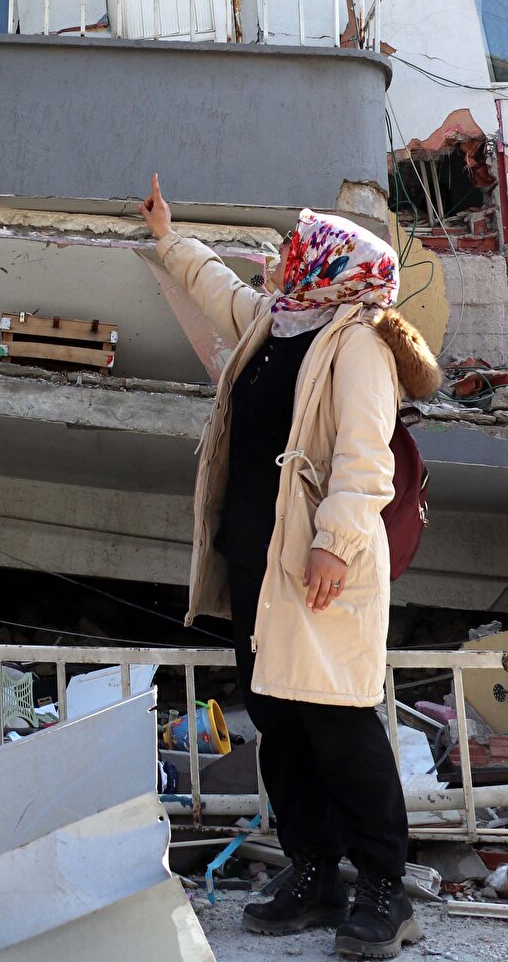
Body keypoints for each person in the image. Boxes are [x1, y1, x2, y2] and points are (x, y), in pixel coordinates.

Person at [140, 174, 441, 960]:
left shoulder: (359, 340)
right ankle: (314, 872)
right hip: (259, 561)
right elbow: (221, 292)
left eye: (298, 248)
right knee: (278, 718)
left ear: (333, 265)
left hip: (320, 564)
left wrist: (335, 546)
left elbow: (366, 460)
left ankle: (384, 886)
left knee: (341, 723)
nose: (284, 257)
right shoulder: (278, 322)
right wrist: (170, 239)